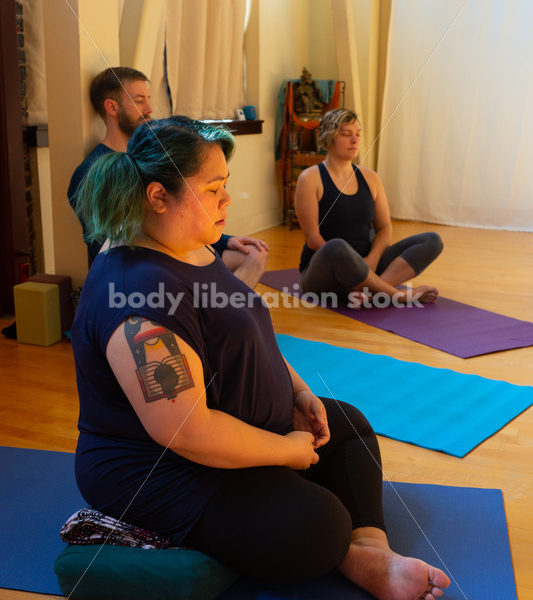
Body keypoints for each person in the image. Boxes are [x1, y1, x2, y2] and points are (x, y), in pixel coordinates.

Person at [71, 116, 450, 600]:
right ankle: (345, 548)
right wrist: (286, 451)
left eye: (225, 185)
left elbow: (250, 333)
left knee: (348, 425)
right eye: (212, 189)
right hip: (163, 470)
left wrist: (296, 390)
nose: (227, 200)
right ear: (158, 197)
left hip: (229, 425)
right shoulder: (134, 298)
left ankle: (370, 550)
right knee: (321, 525)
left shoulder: (194, 245)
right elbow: (185, 431)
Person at [67, 66, 267, 288]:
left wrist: (224, 239)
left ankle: (225, 309)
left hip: (175, 246)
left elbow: (179, 214)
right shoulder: (93, 172)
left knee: (254, 255)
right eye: (139, 100)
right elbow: (112, 244)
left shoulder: (154, 155)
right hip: (144, 269)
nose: (150, 108)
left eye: (149, 99)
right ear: (111, 107)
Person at [294, 108, 443, 308]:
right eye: (346, 134)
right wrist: (355, 266)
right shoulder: (310, 179)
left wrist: (372, 259)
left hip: (368, 263)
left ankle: (371, 294)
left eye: (357, 134)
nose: (354, 140)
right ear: (328, 139)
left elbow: (384, 228)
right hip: (325, 271)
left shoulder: (370, 178)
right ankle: (397, 296)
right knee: (336, 246)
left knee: (432, 240)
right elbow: (313, 239)